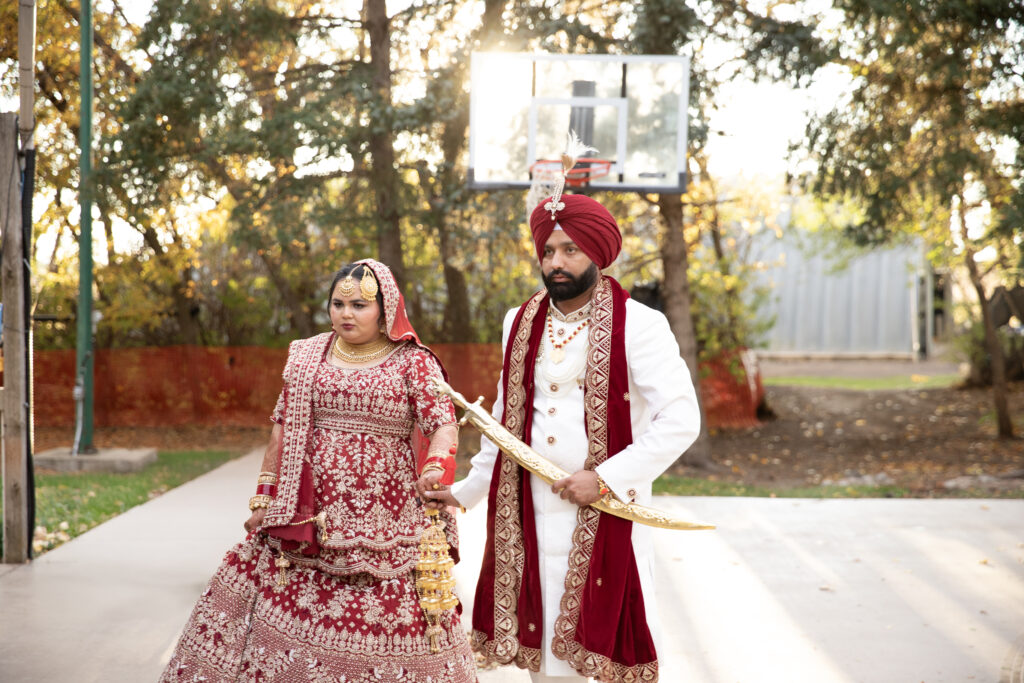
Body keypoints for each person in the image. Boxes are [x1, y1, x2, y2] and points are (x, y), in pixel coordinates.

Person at [423, 194, 702, 682]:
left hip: (606, 510)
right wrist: (467, 491)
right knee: (545, 658)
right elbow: (503, 422)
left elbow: (681, 420)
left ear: (597, 253)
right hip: (527, 511)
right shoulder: (519, 320)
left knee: (603, 643)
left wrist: (606, 478)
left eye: (571, 249)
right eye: (549, 251)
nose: (556, 262)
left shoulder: (640, 324)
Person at [161, 259, 476, 682]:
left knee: (394, 617)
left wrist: (436, 465)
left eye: (359, 305)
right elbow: (282, 425)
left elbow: (442, 423)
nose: (346, 314)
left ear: (385, 310)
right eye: (338, 304)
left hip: (390, 518)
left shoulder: (413, 361)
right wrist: (264, 497)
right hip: (310, 513)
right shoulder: (308, 355)